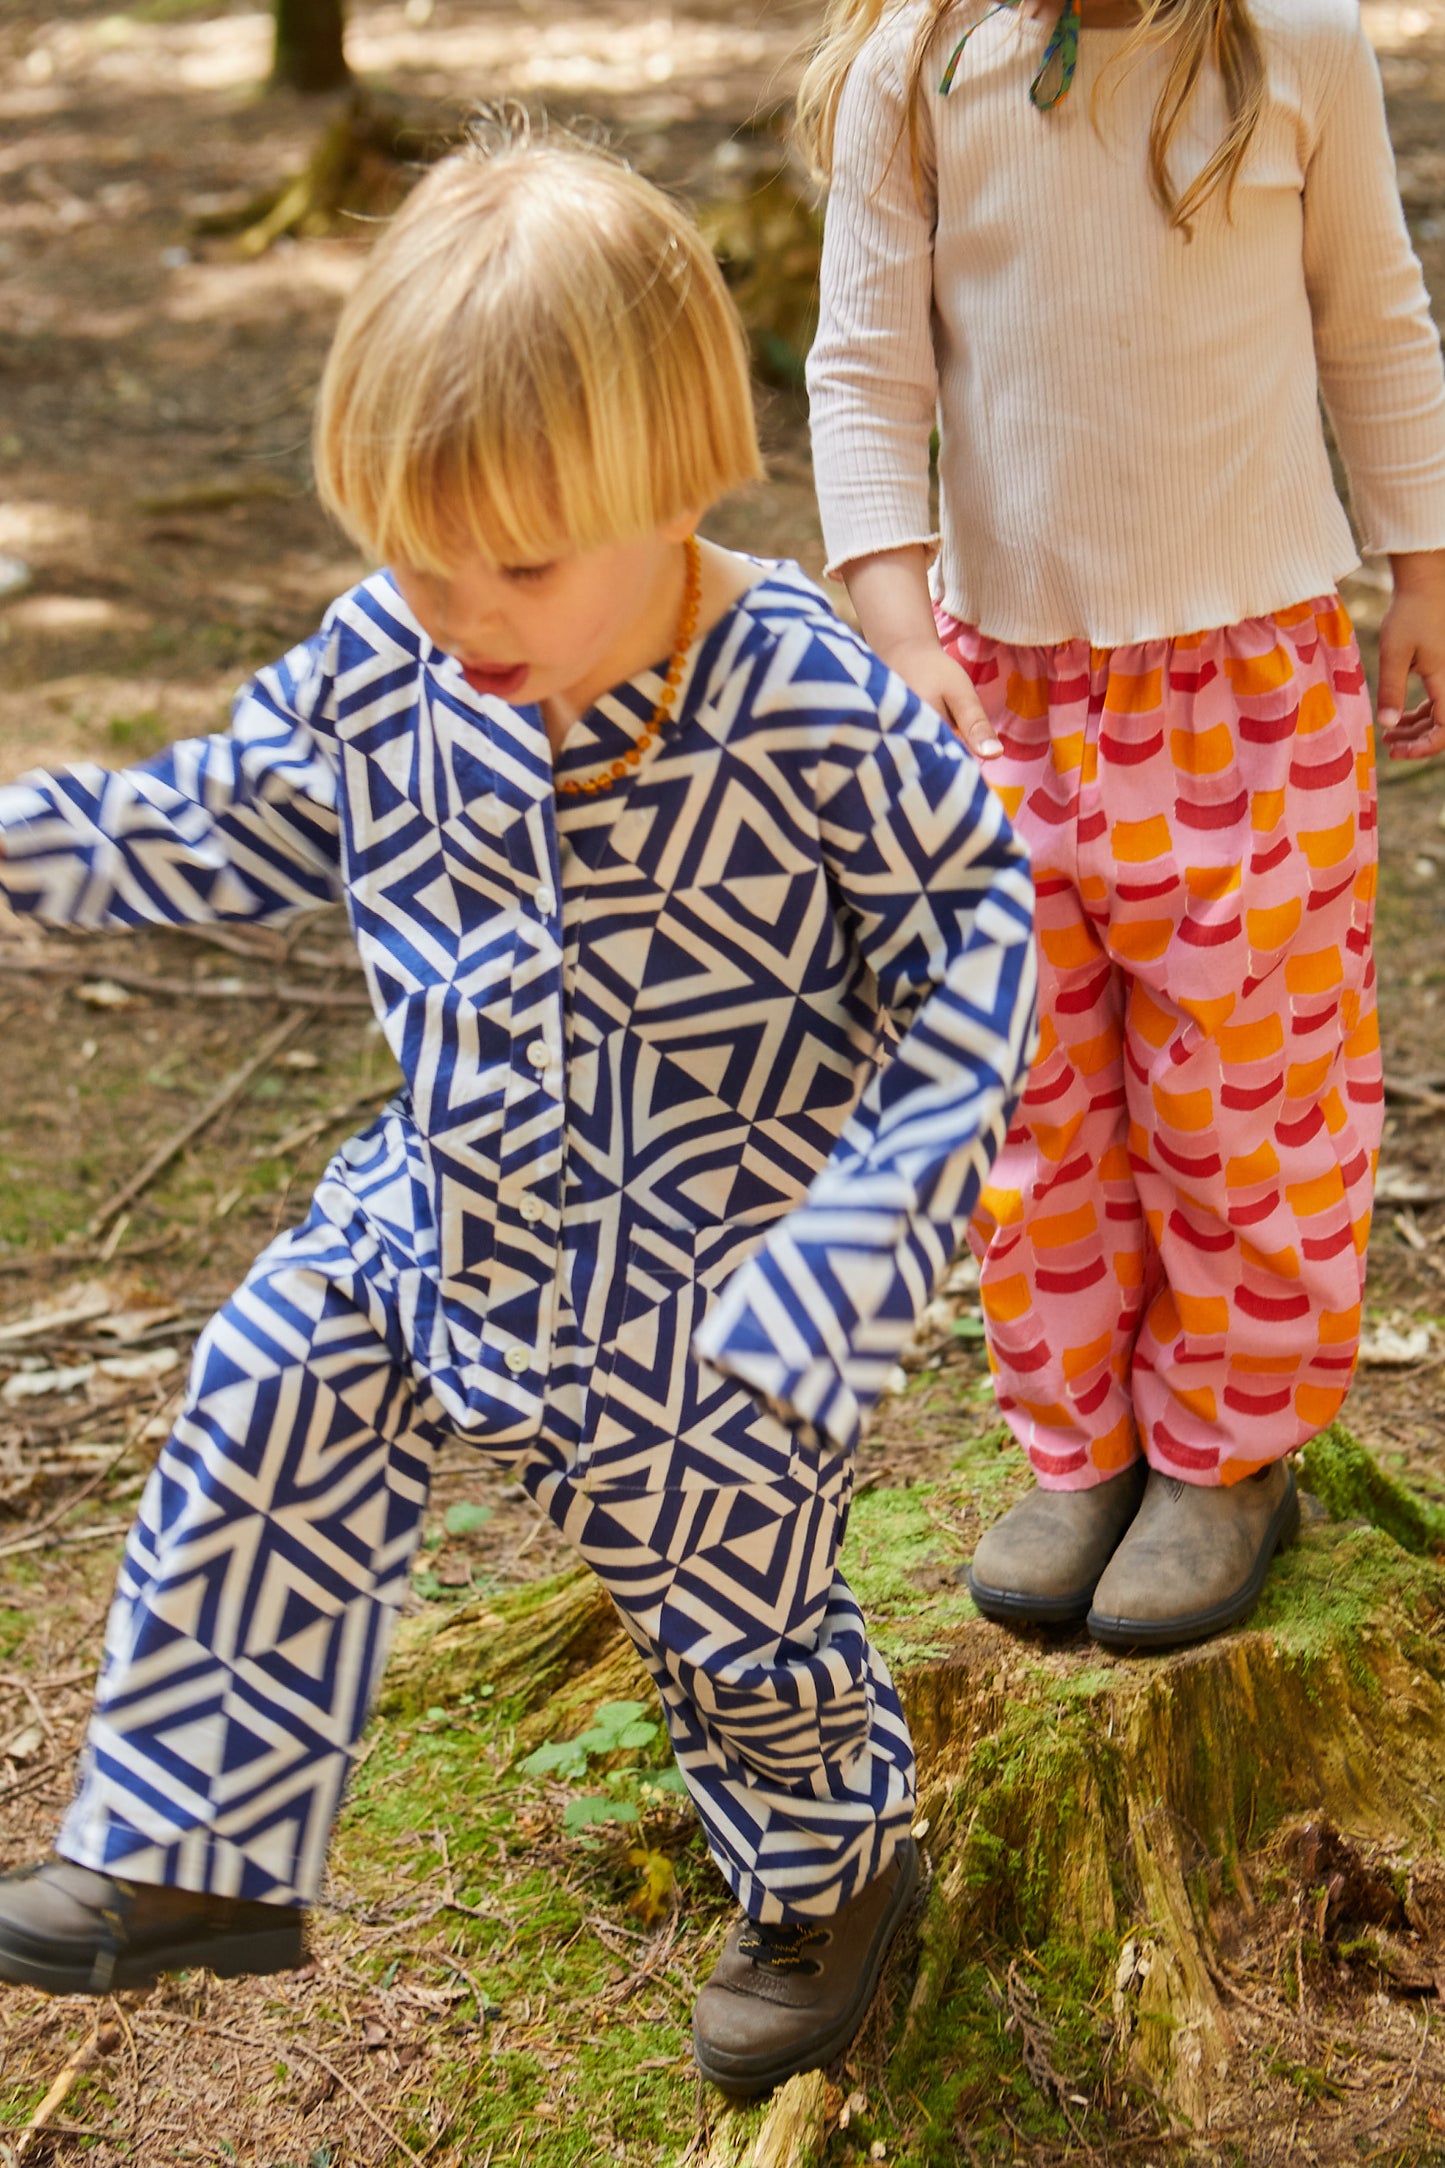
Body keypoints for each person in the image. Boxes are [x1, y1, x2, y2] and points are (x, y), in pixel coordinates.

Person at [0, 129, 1037, 2098]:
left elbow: (977, 939)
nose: (462, 608)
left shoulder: (795, 686)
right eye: (414, 552)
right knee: (267, 1393)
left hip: (719, 1258)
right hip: (445, 1192)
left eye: (523, 563)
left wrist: (866, 1227)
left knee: (718, 1579)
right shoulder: (392, 656)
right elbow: (222, 818)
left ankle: (830, 1867)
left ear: (672, 478)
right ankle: (201, 1843)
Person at [801, 0, 1445, 1648]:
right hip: (996, 692)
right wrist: (893, 634)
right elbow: (864, 373)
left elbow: (1372, 319)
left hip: (1248, 682)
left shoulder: (1291, 49)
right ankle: (1080, 1443)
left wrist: (1423, 571)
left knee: (1249, 1096)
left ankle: (1225, 1453)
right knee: (1037, 1097)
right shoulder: (923, 69)